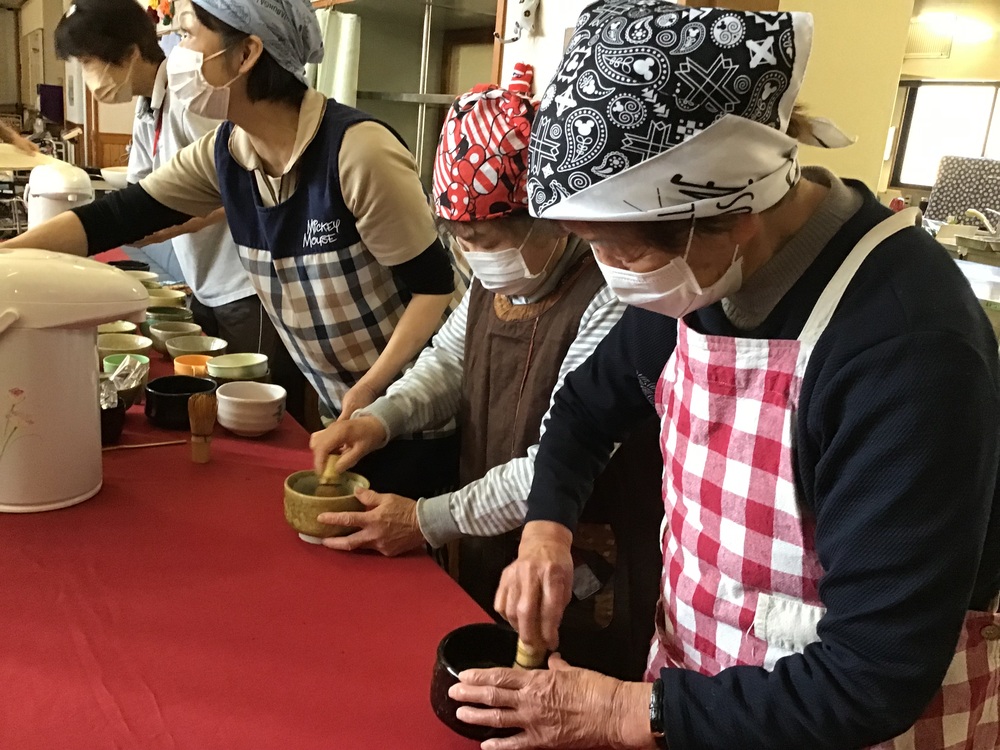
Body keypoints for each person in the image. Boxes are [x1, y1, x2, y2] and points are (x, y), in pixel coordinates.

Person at [449, 2, 1000, 749]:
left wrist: (620, 712)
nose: (614, 283)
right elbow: (586, 407)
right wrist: (546, 529)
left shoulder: (904, 346)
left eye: (623, 255)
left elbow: (876, 674)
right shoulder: (700, 273)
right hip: (698, 692)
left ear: (733, 213)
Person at [3, 0, 459, 498]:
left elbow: (434, 291)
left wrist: (373, 389)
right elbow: (115, 217)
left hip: (419, 404)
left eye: (191, 36)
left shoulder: (356, 153)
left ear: (246, 54)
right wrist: (10, 257)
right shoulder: (226, 152)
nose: (177, 53)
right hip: (347, 405)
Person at [308, 65, 663, 678]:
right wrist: (379, 419)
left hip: (584, 558)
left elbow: (555, 461)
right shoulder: (493, 279)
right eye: (462, 239)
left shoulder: (613, 294)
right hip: (487, 540)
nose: (476, 254)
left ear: (548, 219)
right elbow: (449, 360)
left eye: (487, 237)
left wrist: (424, 519)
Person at [54, 0, 306, 423]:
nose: (87, 78)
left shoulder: (194, 98)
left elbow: (237, 187)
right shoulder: (148, 103)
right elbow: (142, 189)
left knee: (259, 410)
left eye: (89, 62)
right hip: (205, 279)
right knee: (214, 403)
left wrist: (156, 226)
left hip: (248, 284)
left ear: (131, 52)